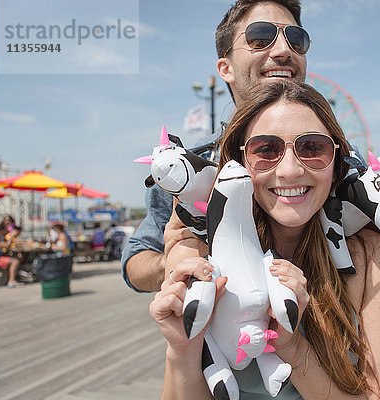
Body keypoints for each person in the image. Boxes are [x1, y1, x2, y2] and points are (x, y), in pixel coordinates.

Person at [149, 81, 380, 399]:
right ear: (239, 162)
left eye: (312, 147)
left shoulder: (373, 256)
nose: (289, 170)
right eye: (266, 150)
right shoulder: (204, 254)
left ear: (336, 159)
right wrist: (182, 349)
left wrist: (292, 348)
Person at [122, 0, 309, 292]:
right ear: (226, 68)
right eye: (260, 38)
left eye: (297, 40)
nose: (284, 50)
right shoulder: (185, 166)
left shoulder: (342, 159)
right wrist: (168, 263)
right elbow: (135, 259)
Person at [0, 222, 24, 288]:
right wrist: (11, 236)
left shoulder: (0, 237)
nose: (7, 232)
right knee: (15, 261)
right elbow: (6, 245)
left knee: (16, 258)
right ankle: (11, 281)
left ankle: (11, 278)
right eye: (6, 231)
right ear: (2, 230)